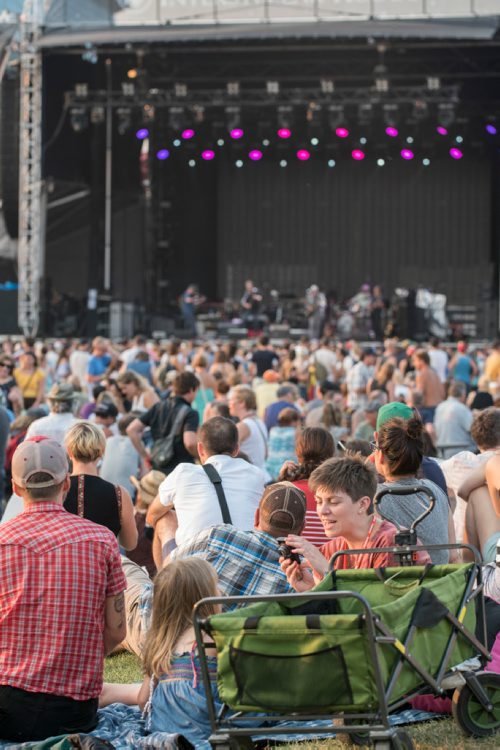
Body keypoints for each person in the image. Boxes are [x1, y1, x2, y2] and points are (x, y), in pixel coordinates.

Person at [0, 437, 127, 741]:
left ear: (16, 489)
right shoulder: (102, 540)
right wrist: (78, 659)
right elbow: (116, 631)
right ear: (66, 484)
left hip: (7, 709)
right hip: (74, 712)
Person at [121, 481, 306, 658]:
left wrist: (167, 533)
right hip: (222, 658)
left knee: (118, 563)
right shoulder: (302, 576)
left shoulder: (219, 535)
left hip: (158, 636)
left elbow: (171, 570)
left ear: (257, 516)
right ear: (302, 529)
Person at [281, 455, 430, 592]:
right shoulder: (331, 550)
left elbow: (380, 610)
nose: (322, 511)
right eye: (319, 502)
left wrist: (328, 572)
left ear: (363, 504)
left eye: (333, 502)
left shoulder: (392, 542)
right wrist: (311, 589)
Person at [146, 416, 267, 565]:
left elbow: (152, 515)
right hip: (244, 564)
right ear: (236, 449)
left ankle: (166, 584)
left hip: (195, 571)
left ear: (200, 449)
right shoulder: (256, 474)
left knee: (165, 517)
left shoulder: (183, 472)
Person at [374, 416, 453, 564]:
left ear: (380, 456)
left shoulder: (376, 497)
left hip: (397, 582)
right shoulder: (435, 491)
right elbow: (453, 556)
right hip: (440, 582)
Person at [63, 421, 138, 551]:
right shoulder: (119, 494)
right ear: (101, 452)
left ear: (69, 452)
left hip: (64, 566)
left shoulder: (56, 490)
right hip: (102, 568)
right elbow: (130, 544)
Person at [127, 371, 200, 474]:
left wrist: (145, 456)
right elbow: (190, 443)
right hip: (182, 470)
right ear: (193, 389)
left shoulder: (158, 407)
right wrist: (201, 457)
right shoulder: (190, 413)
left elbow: (131, 429)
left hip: (158, 467)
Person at [279, 426, 335, 546]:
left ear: (298, 452)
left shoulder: (287, 490)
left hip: (295, 561)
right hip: (333, 561)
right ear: (331, 453)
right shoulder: (341, 490)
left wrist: (281, 482)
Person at [128, 469, 166, 579]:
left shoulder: (136, 519)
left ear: (140, 495)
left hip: (137, 576)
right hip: (156, 577)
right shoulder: (164, 519)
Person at [100, 414, 142, 498]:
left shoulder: (109, 441)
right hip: (126, 495)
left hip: (103, 490)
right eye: (141, 430)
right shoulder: (138, 444)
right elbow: (144, 474)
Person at [228, 385, 268, 470]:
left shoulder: (242, 426)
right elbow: (266, 453)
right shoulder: (259, 421)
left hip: (249, 474)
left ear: (242, 403)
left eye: (231, 400)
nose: (229, 403)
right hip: (262, 472)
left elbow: (230, 455)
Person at [434, 381, 475, 457]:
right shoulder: (462, 408)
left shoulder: (439, 407)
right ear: (463, 394)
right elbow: (473, 430)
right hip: (461, 450)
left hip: (441, 451)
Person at [264, 407, 301, 481]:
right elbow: (299, 451)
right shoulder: (296, 432)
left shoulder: (273, 430)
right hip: (287, 468)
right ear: (293, 421)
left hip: (270, 467)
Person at [412, 348, 444, 425]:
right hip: (438, 407)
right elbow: (443, 392)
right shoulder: (434, 373)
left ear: (422, 361)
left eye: (415, 360)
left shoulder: (422, 374)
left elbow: (419, 395)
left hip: (428, 409)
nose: (414, 363)